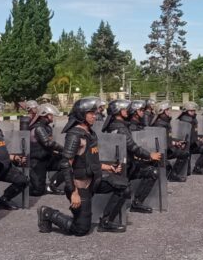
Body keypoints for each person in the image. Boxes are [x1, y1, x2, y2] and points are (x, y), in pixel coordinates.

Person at [37, 97, 128, 235]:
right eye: (91, 113)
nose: (94, 115)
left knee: (124, 187)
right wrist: (73, 192)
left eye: (94, 112)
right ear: (81, 115)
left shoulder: (90, 133)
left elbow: (89, 160)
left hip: (94, 181)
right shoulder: (74, 136)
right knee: (81, 229)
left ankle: (106, 222)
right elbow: (66, 164)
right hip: (79, 188)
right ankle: (48, 213)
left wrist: (108, 168)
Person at [102, 99, 162, 213]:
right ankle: (135, 204)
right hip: (123, 167)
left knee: (151, 171)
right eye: (124, 109)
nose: (127, 111)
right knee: (152, 172)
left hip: (128, 164)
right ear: (118, 111)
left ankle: (136, 203)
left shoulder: (119, 125)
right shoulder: (119, 127)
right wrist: (149, 155)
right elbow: (132, 147)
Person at [28, 103, 66, 196]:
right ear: (45, 115)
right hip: (37, 161)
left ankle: (52, 186)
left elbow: (50, 144)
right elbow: (48, 143)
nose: (52, 117)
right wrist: (64, 149)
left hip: (47, 158)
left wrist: (60, 153)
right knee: (38, 191)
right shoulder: (39, 128)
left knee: (67, 163)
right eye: (51, 115)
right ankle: (26, 184)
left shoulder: (47, 127)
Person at [149, 102, 189, 182]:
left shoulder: (164, 123)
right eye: (167, 110)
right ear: (162, 112)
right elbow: (161, 142)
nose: (169, 111)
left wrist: (176, 142)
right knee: (184, 154)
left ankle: (172, 173)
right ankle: (173, 175)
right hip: (162, 151)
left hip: (167, 148)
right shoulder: (159, 125)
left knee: (184, 151)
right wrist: (174, 144)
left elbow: (168, 138)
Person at [178, 102, 203, 175]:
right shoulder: (186, 120)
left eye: (194, 110)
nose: (193, 112)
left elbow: (193, 135)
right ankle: (196, 168)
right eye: (191, 111)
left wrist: (199, 139)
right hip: (187, 145)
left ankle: (198, 168)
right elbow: (187, 137)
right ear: (186, 111)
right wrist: (198, 142)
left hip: (191, 144)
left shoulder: (192, 119)